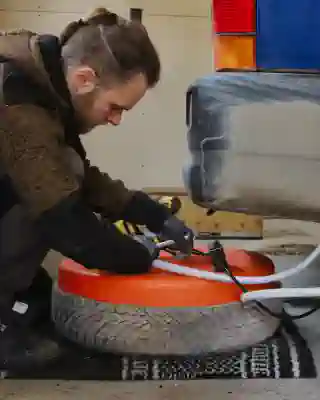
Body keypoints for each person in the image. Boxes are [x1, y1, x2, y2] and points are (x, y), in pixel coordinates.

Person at [0, 8, 194, 370]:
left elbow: (76, 175)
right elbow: (62, 217)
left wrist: (153, 214)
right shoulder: (16, 101)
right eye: (116, 107)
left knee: (65, 168)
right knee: (50, 192)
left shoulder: (41, 83)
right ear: (85, 78)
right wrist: (132, 255)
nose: (116, 120)